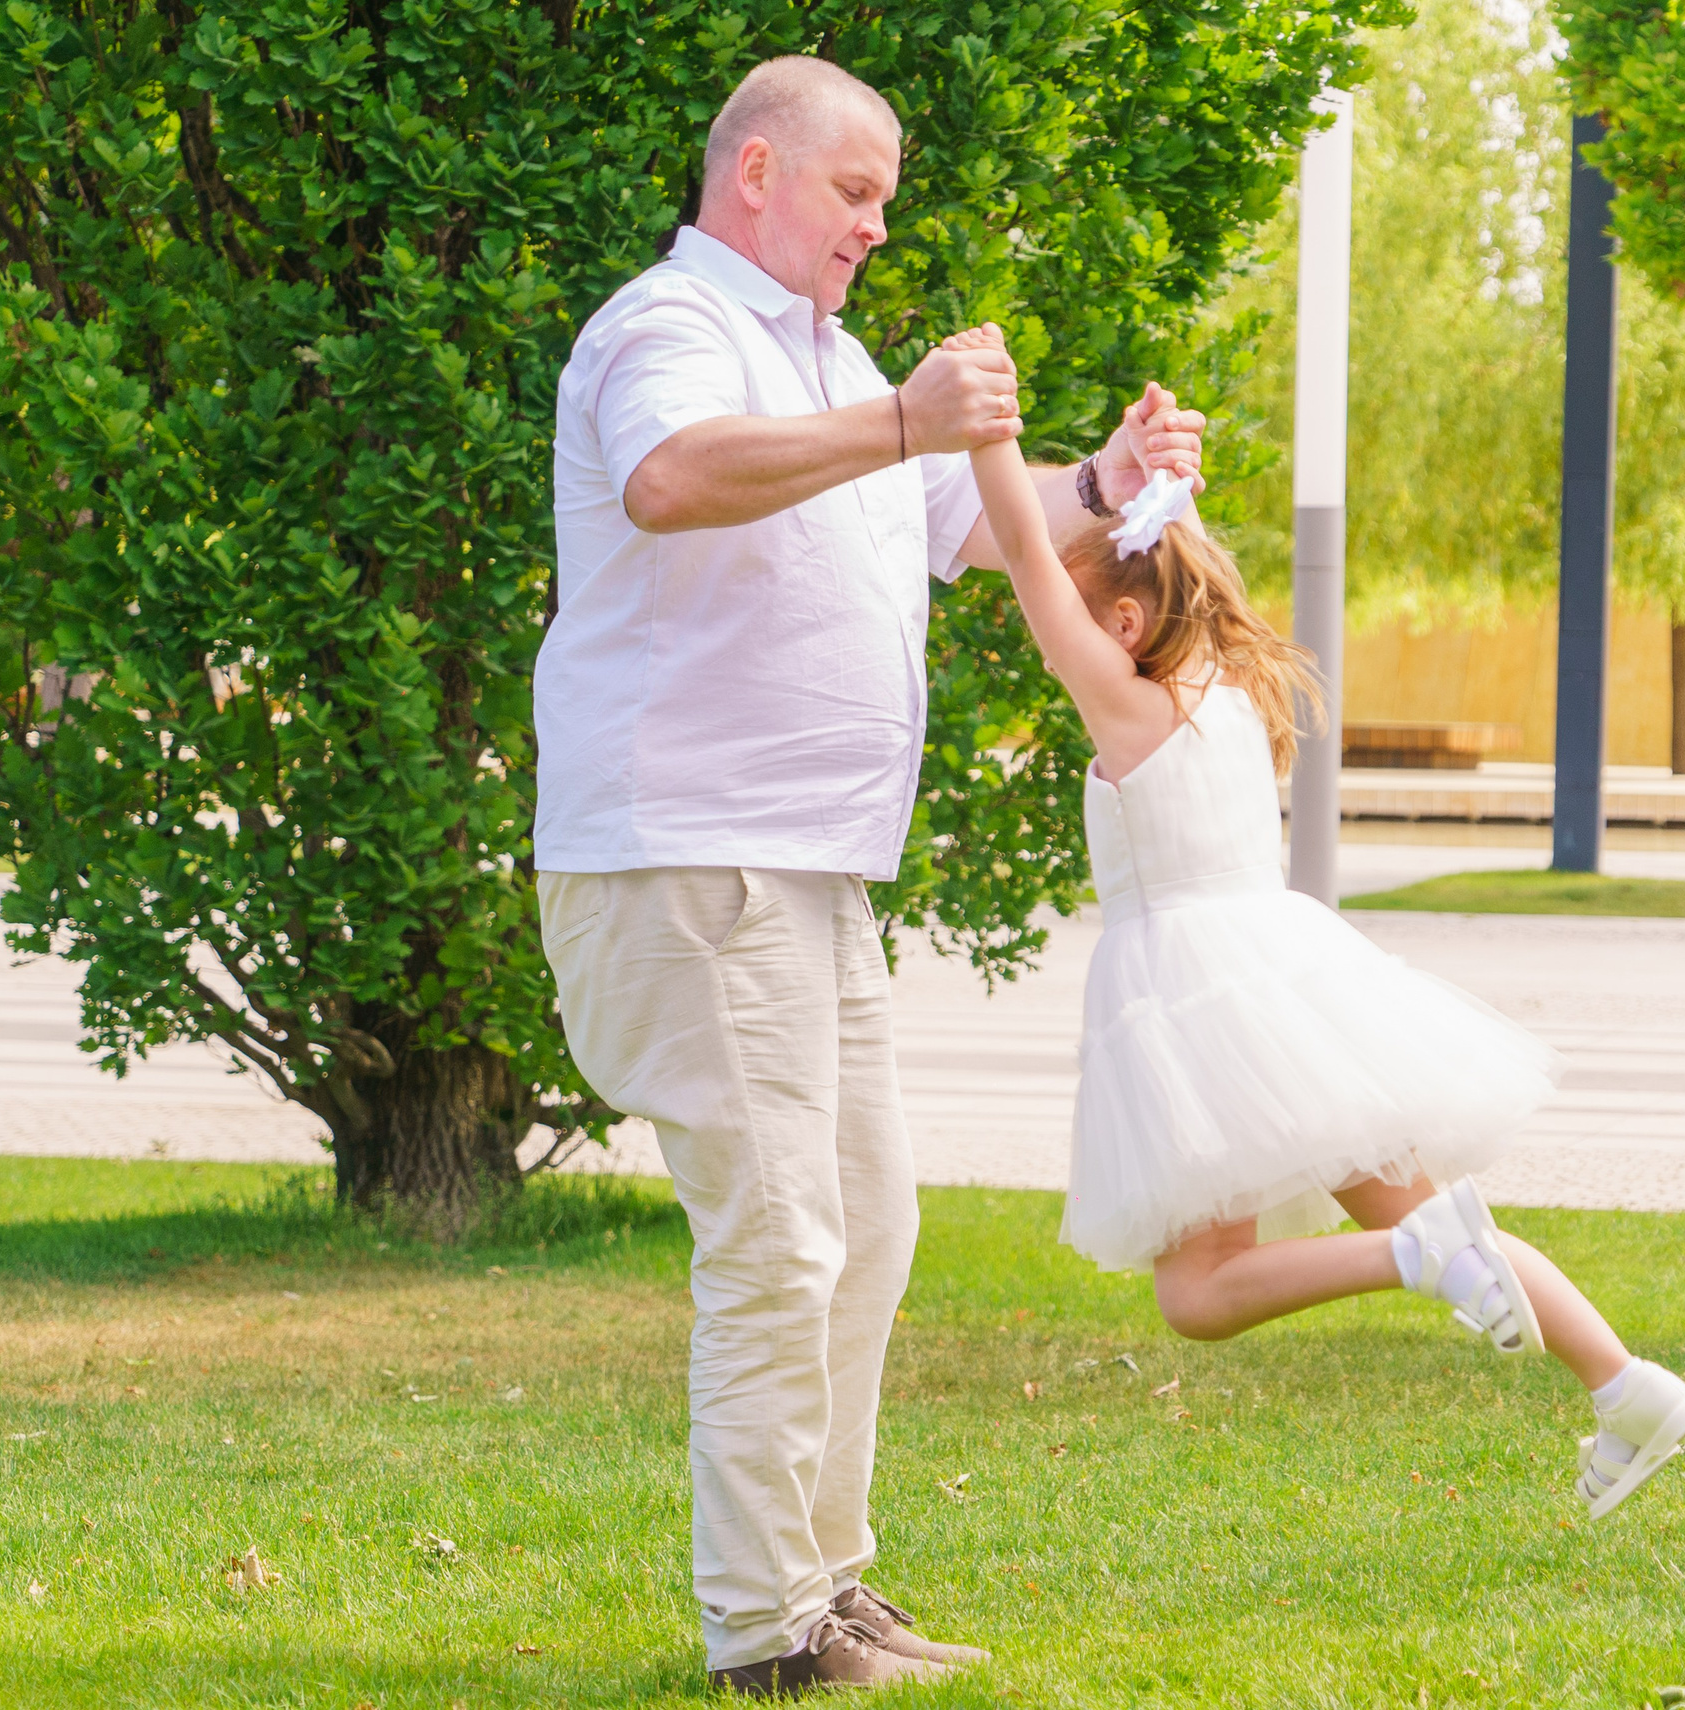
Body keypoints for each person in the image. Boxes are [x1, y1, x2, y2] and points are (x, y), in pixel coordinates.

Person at [534, 59, 1208, 1698]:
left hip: (810, 875)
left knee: (869, 1229)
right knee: (779, 1244)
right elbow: (670, 479)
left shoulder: (821, 361)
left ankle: (825, 1588)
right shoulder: (667, 330)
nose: (879, 222)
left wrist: (1105, 487)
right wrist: (906, 417)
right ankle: (766, 1636)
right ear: (755, 173)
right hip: (695, 859)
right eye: (856, 190)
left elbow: (983, 522)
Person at [946, 322, 1685, 1519]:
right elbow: (1167, 566)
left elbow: (1044, 582)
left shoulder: (1128, 707)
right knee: (1441, 1216)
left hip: (1199, 1003)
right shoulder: (1227, 686)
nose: (1046, 613)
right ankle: (1626, 1385)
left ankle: (1414, 1265)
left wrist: (986, 428)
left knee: (1201, 1294)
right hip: (1291, 982)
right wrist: (1165, 482)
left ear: (1123, 629)